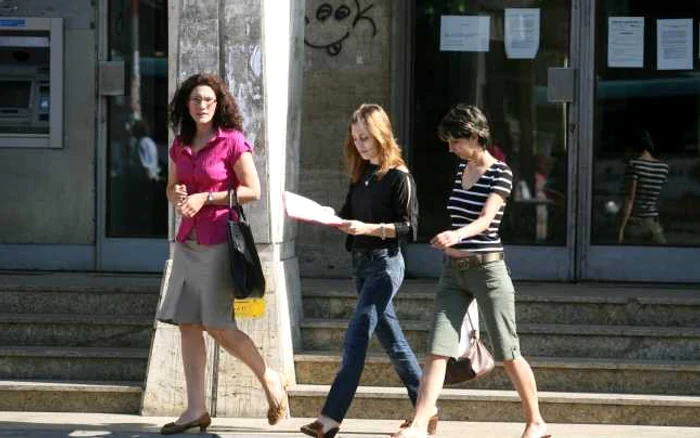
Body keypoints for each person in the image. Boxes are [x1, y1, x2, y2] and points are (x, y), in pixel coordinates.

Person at [392, 104, 549, 438]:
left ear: (476, 137)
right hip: (453, 272)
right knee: (438, 348)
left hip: (488, 272)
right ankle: (420, 424)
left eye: (456, 141)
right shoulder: (460, 168)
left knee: (508, 351)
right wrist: (449, 243)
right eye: (448, 142)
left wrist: (457, 234)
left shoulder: (501, 172)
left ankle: (536, 421)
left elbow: (486, 220)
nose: (451, 148)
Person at [156, 73, 287, 435]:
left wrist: (207, 197)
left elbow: (252, 191)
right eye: (196, 100)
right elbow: (171, 188)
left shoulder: (232, 141)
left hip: (217, 240)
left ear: (219, 104)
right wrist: (179, 196)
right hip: (187, 240)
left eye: (208, 100)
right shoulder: (180, 144)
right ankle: (196, 408)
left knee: (217, 324)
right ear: (187, 103)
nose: (202, 106)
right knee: (187, 323)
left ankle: (269, 377)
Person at [300, 104, 432, 438]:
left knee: (356, 337)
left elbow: (409, 228)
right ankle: (426, 409)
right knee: (394, 343)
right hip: (360, 265)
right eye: (355, 137)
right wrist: (329, 216)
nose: (359, 143)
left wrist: (369, 229)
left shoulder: (399, 176)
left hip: (385, 266)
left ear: (381, 134)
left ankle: (330, 418)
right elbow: (348, 214)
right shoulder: (361, 175)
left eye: (365, 137)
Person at [617, 129, 669, 244]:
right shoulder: (663, 168)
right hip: (653, 224)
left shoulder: (634, 165)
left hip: (635, 224)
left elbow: (630, 199)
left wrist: (621, 229)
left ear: (633, 146)